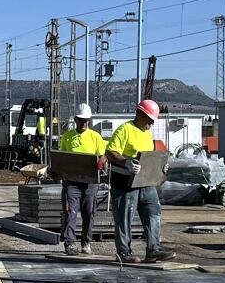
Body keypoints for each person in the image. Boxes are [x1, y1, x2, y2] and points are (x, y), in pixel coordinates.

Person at [105, 99, 169, 264]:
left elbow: (148, 156)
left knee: (153, 213)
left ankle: (153, 249)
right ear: (139, 114)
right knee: (124, 218)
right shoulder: (125, 129)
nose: (150, 125)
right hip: (125, 185)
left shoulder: (147, 132)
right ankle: (124, 252)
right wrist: (125, 161)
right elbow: (110, 152)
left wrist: (160, 166)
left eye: (152, 122)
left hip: (145, 183)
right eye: (148, 120)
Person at [54, 103, 106, 255]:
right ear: (76, 119)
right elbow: (62, 157)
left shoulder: (95, 137)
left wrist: (102, 161)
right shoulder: (68, 137)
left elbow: (102, 154)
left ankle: (86, 242)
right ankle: (69, 243)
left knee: (89, 213)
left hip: (90, 183)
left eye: (87, 120)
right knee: (70, 212)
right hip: (72, 183)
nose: (85, 123)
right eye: (82, 120)